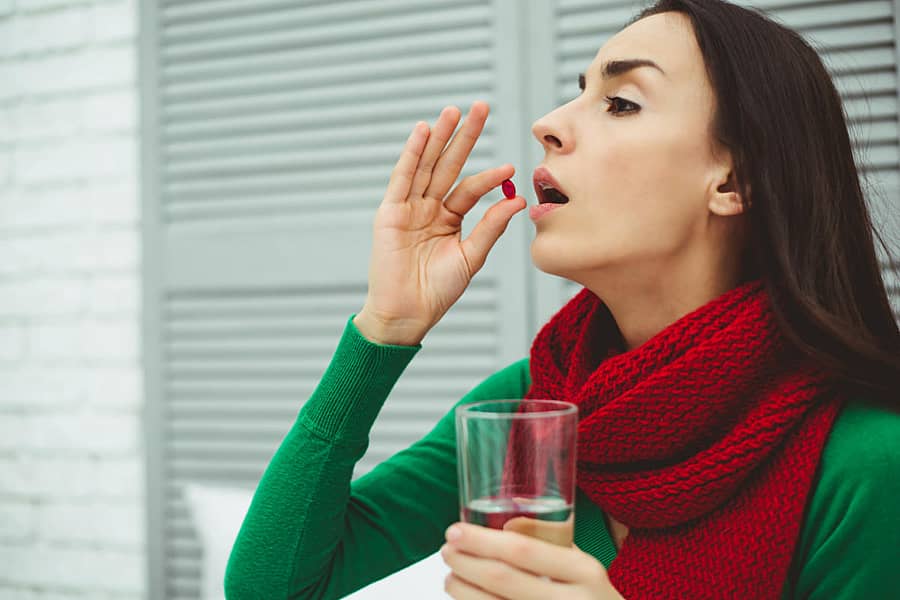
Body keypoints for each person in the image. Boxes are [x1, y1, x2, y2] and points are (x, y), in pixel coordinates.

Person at [224, 0, 900, 598]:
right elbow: (273, 587)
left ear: (735, 181)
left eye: (622, 102)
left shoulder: (866, 463)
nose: (548, 124)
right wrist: (384, 325)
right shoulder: (537, 406)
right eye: (578, 95)